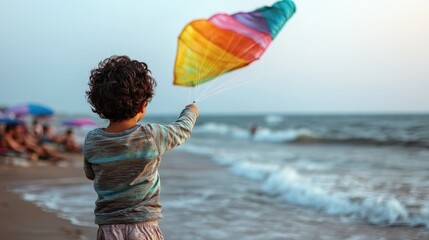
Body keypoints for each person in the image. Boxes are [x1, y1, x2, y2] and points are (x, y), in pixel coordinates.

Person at [83, 55, 199, 240]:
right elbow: (182, 130)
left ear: (99, 104)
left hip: (108, 228)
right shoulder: (151, 135)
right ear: (143, 105)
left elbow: (91, 174)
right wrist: (190, 111)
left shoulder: (92, 140)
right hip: (144, 227)